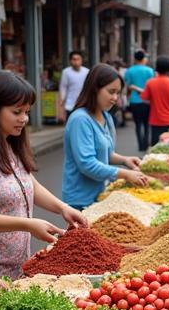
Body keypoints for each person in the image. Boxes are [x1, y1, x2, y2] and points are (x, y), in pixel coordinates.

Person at [0, 71, 86, 310]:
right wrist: (27, 224)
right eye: (16, 112)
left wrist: (62, 208)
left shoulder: (7, 142)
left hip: (13, 268)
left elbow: (28, 183)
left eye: (26, 111)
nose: (24, 119)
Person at [62, 64, 148, 210]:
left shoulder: (106, 117)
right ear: (95, 89)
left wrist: (124, 160)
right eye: (111, 92)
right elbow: (87, 164)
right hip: (80, 200)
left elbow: (105, 154)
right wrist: (125, 174)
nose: (115, 98)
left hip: (101, 194)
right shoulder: (80, 120)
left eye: (118, 93)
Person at [140, 55, 169, 145]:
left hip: (156, 120)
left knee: (156, 147)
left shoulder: (150, 82)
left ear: (157, 67)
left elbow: (144, 99)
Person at [124, 50, 155, 151]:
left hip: (135, 101)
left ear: (135, 59)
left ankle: (140, 145)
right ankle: (146, 143)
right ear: (144, 58)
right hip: (147, 101)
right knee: (147, 124)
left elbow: (127, 85)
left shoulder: (129, 71)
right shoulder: (150, 71)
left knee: (138, 124)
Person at [55, 50, 89, 124]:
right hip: (70, 105)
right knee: (71, 124)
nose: (76, 62)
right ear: (70, 61)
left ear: (81, 60)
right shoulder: (66, 72)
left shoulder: (87, 72)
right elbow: (63, 87)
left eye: (78, 59)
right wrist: (61, 103)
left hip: (83, 104)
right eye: (74, 59)